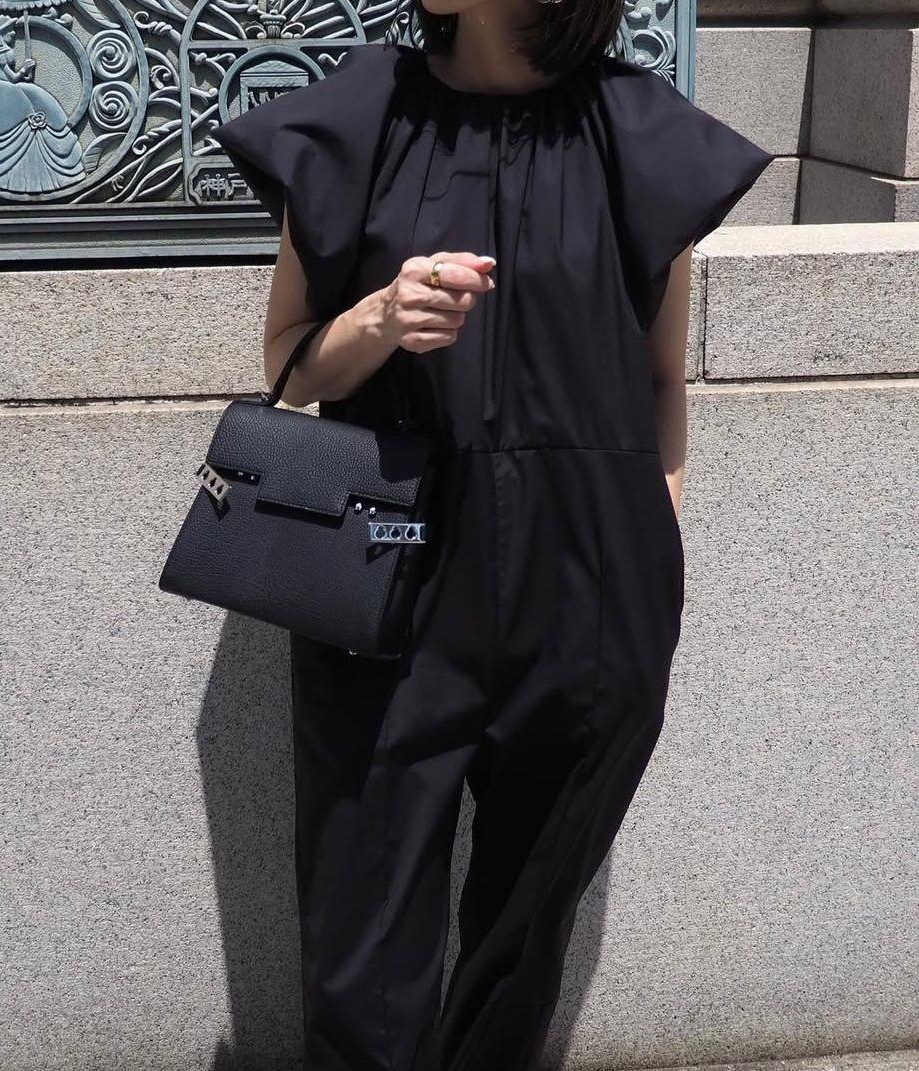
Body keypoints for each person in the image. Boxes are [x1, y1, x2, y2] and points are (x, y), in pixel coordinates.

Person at [214, 1, 774, 1067]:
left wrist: (651, 539)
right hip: (385, 584)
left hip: (591, 588)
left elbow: (662, 378)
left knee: (523, 943)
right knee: (362, 941)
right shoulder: (358, 119)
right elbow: (287, 357)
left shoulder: (639, 136)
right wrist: (380, 319)